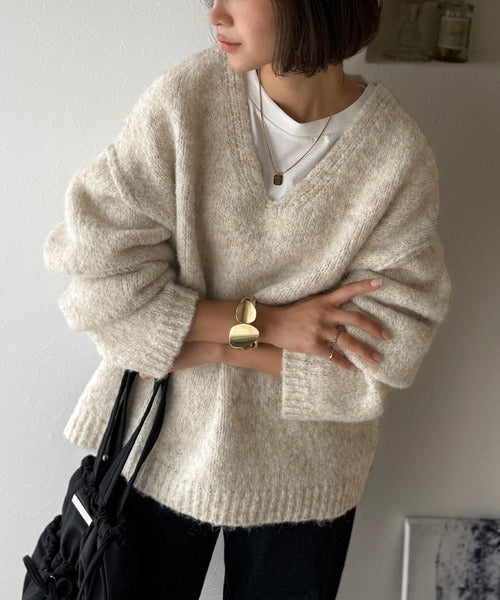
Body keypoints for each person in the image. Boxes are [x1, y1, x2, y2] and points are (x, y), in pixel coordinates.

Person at [42, 0, 452, 598]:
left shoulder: (395, 157)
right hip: (155, 448)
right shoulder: (187, 102)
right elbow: (98, 277)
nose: (215, 13)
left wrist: (207, 345)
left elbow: (380, 358)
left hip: (305, 481)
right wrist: (268, 325)